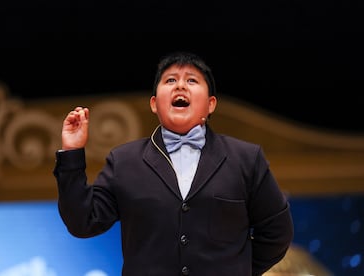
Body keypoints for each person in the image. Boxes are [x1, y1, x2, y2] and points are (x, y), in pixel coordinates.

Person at [53, 51, 294, 275]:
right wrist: (72, 153)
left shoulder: (246, 159)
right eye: (170, 80)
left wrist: (236, 268)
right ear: (154, 104)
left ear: (211, 104)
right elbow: (83, 222)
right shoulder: (124, 161)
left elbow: (277, 233)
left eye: (191, 80)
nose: (180, 85)